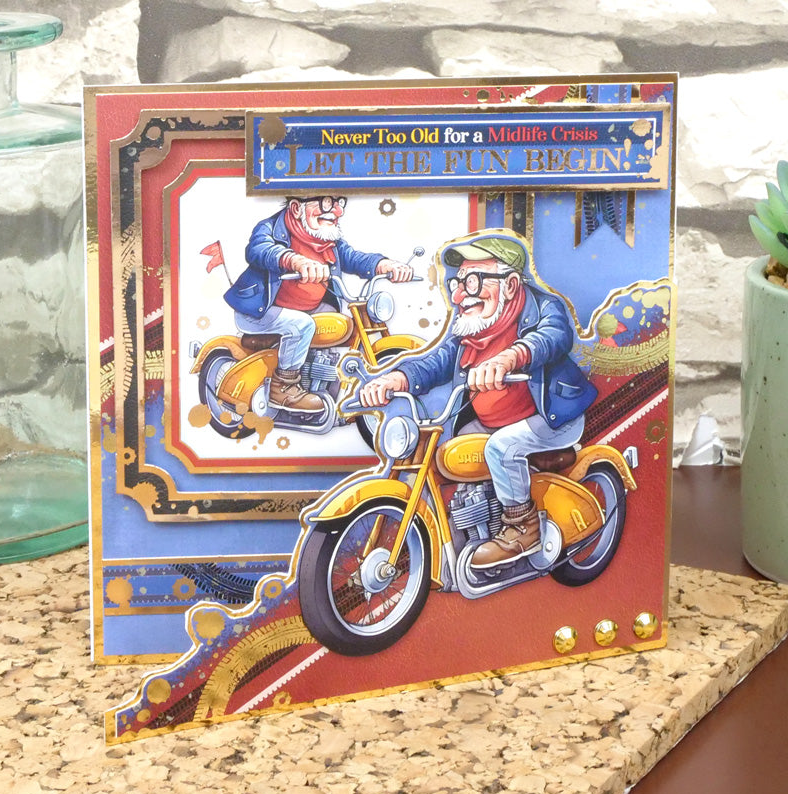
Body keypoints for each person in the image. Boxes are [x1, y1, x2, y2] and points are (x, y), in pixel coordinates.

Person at [359, 231, 597, 569]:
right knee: (445, 455)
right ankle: (462, 530)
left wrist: (511, 357)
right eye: (457, 283)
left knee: (501, 448)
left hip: (551, 417)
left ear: (510, 285)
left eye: (473, 282)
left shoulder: (544, 307)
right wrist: (397, 378)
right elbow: (437, 361)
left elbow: (553, 335)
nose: (459, 295)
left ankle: (523, 527)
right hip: (491, 422)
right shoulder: (472, 328)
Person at [224, 195, 414, 413]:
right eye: (326, 203)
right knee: (302, 325)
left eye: (339, 203)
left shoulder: (327, 242)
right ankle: (282, 387)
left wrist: (384, 264)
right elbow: (259, 249)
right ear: (297, 208)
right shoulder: (270, 228)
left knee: (346, 326)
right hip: (259, 311)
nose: (337, 211)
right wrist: (294, 260)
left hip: (308, 309)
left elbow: (353, 258)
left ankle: (330, 382)